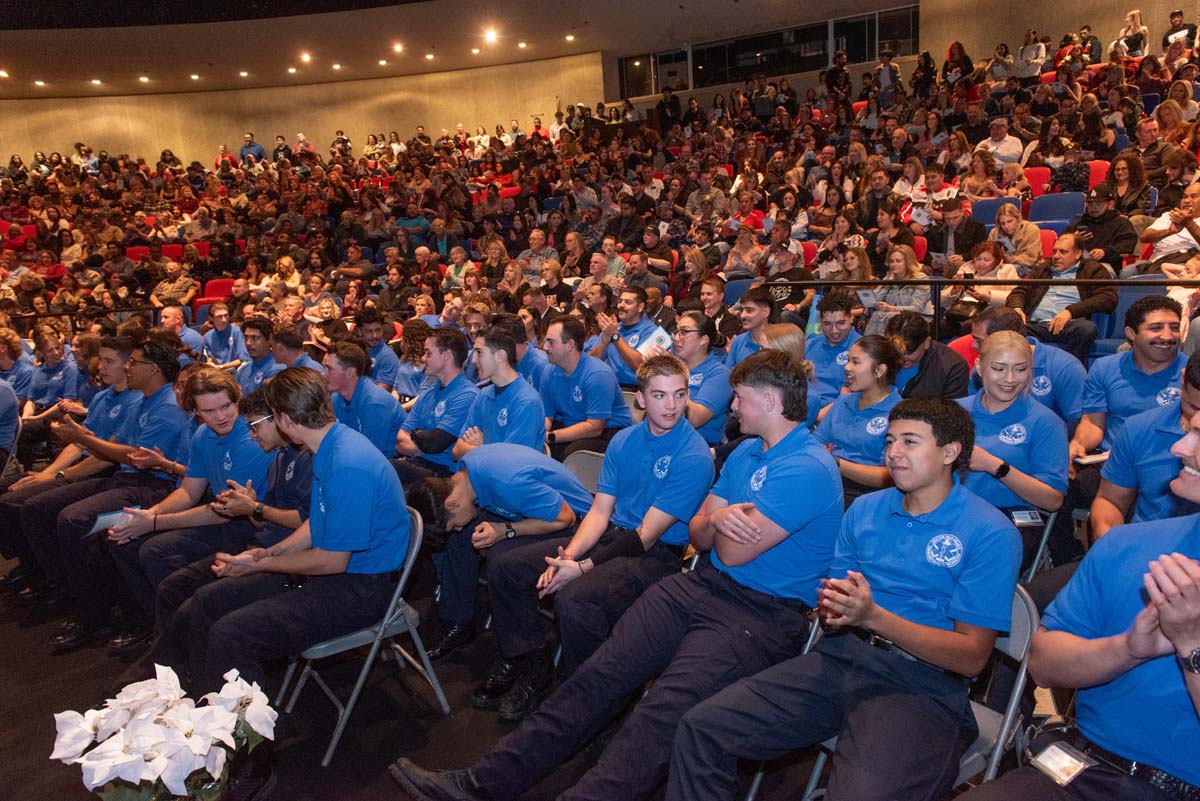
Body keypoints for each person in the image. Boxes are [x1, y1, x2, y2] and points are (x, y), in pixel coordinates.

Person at [390, 350, 842, 801]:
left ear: (770, 401)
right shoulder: (745, 451)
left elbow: (729, 549)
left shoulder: (807, 467)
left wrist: (716, 522)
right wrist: (718, 522)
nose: (732, 407)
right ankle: (479, 785)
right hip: (700, 584)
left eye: (739, 399)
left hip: (760, 614)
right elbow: (704, 536)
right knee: (593, 677)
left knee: (658, 716)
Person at [665, 397, 1021, 801]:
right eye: (889, 441)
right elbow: (835, 601)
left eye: (910, 442)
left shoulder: (989, 532)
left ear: (950, 452)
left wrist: (874, 617)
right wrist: (837, 609)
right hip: (842, 657)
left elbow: (973, 656)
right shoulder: (866, 509)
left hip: (921, 685)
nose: (893, 453)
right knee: (702, 729)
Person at [954, 409, 1200, 801]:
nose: (1179, 447)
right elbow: (1044, 663)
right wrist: (1127, 648)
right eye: (1189, 430)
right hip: (1082, 770)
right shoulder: (1128, 546)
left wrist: (1191, 648)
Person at [165, 366, 409, 695]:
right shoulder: (330, 446)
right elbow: (315, 525)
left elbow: (332, 561)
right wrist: (270, 552)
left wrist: (261, 564)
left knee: (230, 633)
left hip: (360, 589)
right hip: (341, 576)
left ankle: (239, 737)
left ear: (285, 419)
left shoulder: (346, 462)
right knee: (209, 602)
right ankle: (202, 706)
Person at [32, 339, 192, 650]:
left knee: (74, 520)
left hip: (151, 486)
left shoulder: (167, 406)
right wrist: (81, 439)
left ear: (153, 369)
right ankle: (75, 595)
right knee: (42, 507)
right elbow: (115, 446)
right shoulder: (142, 401)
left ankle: (96, 615)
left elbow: (133, 455)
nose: (128, 367)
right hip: (125, 480)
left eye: (134, 362)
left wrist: (82, 438)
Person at [98, 368, 275, 645]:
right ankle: (163, 625)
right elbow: (189, 491)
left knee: (156, 550)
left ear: (237, 400)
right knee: (124, 542)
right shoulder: (203, 435)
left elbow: (223, 511)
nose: (221, 416)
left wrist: (153, 524)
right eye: (209, 410)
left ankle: (184, 632)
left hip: (247, 525)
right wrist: (149, 515)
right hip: (221, 513)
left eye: (226, 406)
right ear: (195, 412)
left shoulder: (250, 439)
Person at [410, 442, 595, 670]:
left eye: (452, 524)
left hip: (579, 525)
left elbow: (564, 518)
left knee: (503, 562)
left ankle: (529, 658)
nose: (456, 527)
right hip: (533, 512)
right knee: (461, 537)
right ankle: (459, 621)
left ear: (452, 503)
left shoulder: (506, 483)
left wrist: (506, 530)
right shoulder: (467, 472)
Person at [1049, 296, 1187, 565]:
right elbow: (1092, 424)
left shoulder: (1190, 373)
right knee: (1054, 486)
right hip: (1112, 462)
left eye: (1173, 327)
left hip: (1170, 463)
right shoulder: (1106, 368)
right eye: (1156, 328)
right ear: (1130, 334)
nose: (1168, 336)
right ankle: (1073, 562)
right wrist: (1077, 444)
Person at [0, 336, 142, 595]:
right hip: (87, 464)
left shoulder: (135, 401)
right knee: (7, 494)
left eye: (109, 361)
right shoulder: (102, 398)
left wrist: (59, 476)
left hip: (110, 471)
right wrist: (49, 472)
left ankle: (58, 581)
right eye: (102, 360)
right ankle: (35, 567)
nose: (101, 367)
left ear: (128, 365)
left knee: (34, 506)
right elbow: (78, 444)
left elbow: (105, 455)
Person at [958, 332, 1068, 567]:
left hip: (1010, 518)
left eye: (1020, 369)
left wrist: (995, 466)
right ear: (979, 366)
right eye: (999, 368)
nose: (1010, 379)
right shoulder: (956, 413)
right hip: (955, 511)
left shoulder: (1045, 422)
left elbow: (1052, 500)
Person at [816, 335, 903, 506]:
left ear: (879, 370)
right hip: (828, 482)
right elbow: (817, 442)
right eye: (848, 360)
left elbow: (887, 476)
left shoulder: (899, 414)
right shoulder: (843, 401)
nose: (847, 367)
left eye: (856, 362)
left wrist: (837, 463)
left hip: (866, 496)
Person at [1005, 233, 1118, 364]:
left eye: (1063, 252)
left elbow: (1108, 297)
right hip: (1035, 326)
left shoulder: (1093, 269)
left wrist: (1070, 312)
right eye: (1054, 251)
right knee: (1001, 325)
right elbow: (1019, 291)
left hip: (1068, 327)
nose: (1056, 256)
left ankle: (1068, 368)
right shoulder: (1043, 269)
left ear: (1078, 254)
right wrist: (1017, 309)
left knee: (1087, 329)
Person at [541, 316, 634, 460]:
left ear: (570, 344)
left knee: (571, 454)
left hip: (609, 430)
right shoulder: (549, 371)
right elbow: (547, 415)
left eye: (551, 342)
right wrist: (541, 433)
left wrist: (552, 436)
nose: (544, 347)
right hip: (574, 424)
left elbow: (595, 427)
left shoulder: (597, 374)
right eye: (546, 341)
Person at [393, 328, 479, 484]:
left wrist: (416, 436)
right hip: (416, 465)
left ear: (446, 355)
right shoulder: (427, 395)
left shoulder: (467, 395)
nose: (423, 358)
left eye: (428, 353)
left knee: (386, 469)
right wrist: (425, 443)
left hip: (442, 473)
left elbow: (435, 443)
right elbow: (400, 441)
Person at [452, 325, 546, 458]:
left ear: (500, 356)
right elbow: (457, 451)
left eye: (479, 352)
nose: (473, 360)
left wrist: (481, 448)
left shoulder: (527, 402)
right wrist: (483, 451)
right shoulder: (484, 394)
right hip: (475, 475)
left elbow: (510, 463)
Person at [324, 341, 407, 458]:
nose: (324, 374)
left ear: (350, 373)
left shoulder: (375, 403)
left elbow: (370, 454)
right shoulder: (336, 398)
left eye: (329, 369)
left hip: (388, 462)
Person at [671, 311, 732, 446]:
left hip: (699, 445)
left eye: (684, 332)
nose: (676, 338)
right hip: (666, 438)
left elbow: (696, 419)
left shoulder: (719, 374)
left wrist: (670, 380)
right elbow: (640, 404)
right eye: (676, 332)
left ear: (704, 340)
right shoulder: (673, 366)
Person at [886, 312, 970, 399]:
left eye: (909, 352)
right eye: (895, 351)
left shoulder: (953, 367)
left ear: (927, 342)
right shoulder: (880, 354)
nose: (901, 359)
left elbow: (951, 410)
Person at [806, 292, 863, 414]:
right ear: (820, 321)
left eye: (841, 323)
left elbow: (851, 399)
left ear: (851, 318)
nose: (834, 330)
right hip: (802, 409)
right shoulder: (810, 344)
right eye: (827, 324)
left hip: (836, 415)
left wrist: (814, 418)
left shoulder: (863, 349)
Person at [590, 287, 657, 387]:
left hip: (639, 391)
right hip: (612, 387)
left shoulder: (655, 333)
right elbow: (590, 363)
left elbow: (641, 366)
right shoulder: (612, 327)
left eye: (628, 302)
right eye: (620, 301)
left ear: (640, 307)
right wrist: (604, 341)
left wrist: (615, 336)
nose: (621, 305)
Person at [355, 306, 403, 392]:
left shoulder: (388, 357)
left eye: (378, 330)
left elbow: (379, 393)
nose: (375, 335)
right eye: (369, 331)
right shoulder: (355, 349)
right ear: (359, 331)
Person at [234, 318, 284, 395]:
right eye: (246, 337)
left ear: (270, 339)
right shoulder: (243, 369)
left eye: (255, 338)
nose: (248, 343)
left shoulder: (278, 370)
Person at [726, 285, 773, 368]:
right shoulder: (738, 341)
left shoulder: (781, 340)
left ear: (765, 312)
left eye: (749, 310)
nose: (743, 315)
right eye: (742, 310)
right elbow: (728, 375)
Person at [201, 302, 248, 371]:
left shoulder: (237, 332)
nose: (224, 320)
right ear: (211, 318)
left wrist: (222, 367)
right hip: (217, 373)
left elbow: (242, 360)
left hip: (235, 371)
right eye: (219, 316)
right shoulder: (208, 336)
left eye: (226, 315)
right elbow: (209, 359)